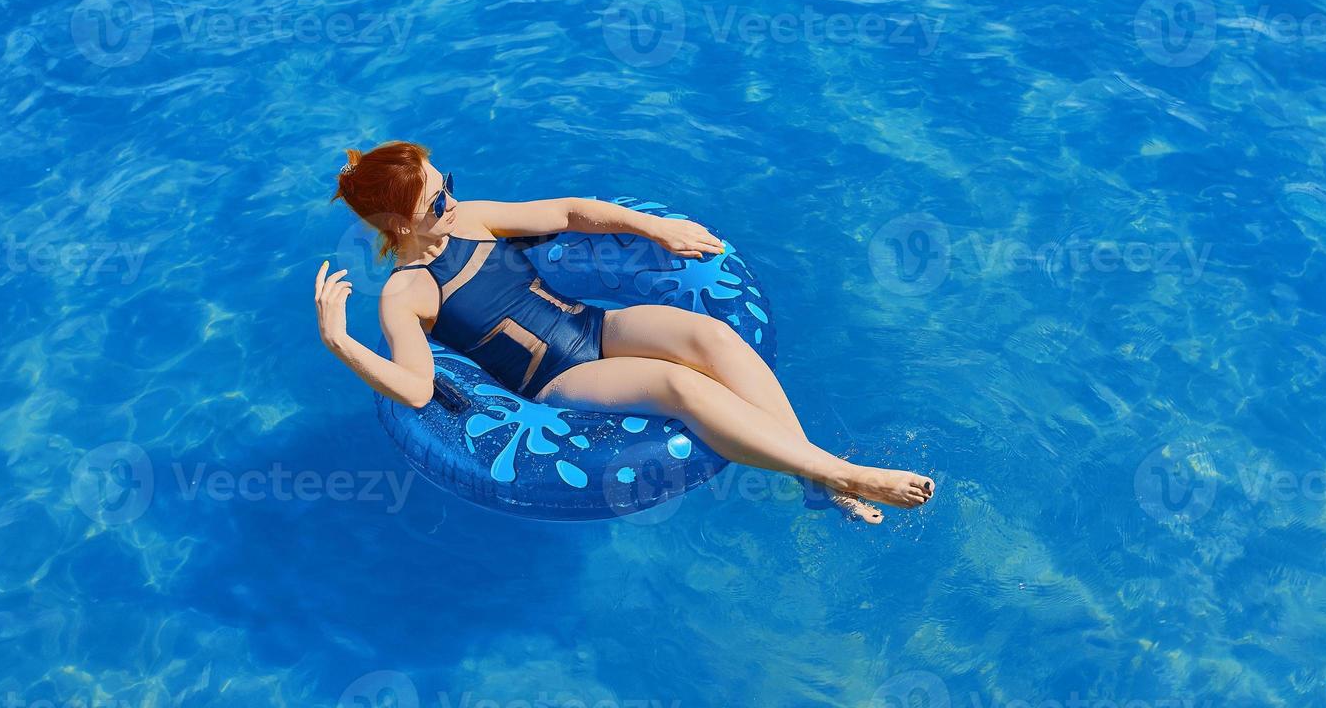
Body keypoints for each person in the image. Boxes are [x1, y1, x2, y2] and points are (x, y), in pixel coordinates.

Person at [316, 140, 934, 524]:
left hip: (593, 325)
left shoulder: (471, 219)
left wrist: (652, 228)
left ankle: (817, 482)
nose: (450, 199)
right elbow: (419, 388)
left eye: (445, 182)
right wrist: (340, 341)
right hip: (558, 378)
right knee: (677, 386)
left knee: (712, 339)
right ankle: (842, 474)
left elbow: (566, 212)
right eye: (434, 202)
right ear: (398, 224)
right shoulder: (407, 293)